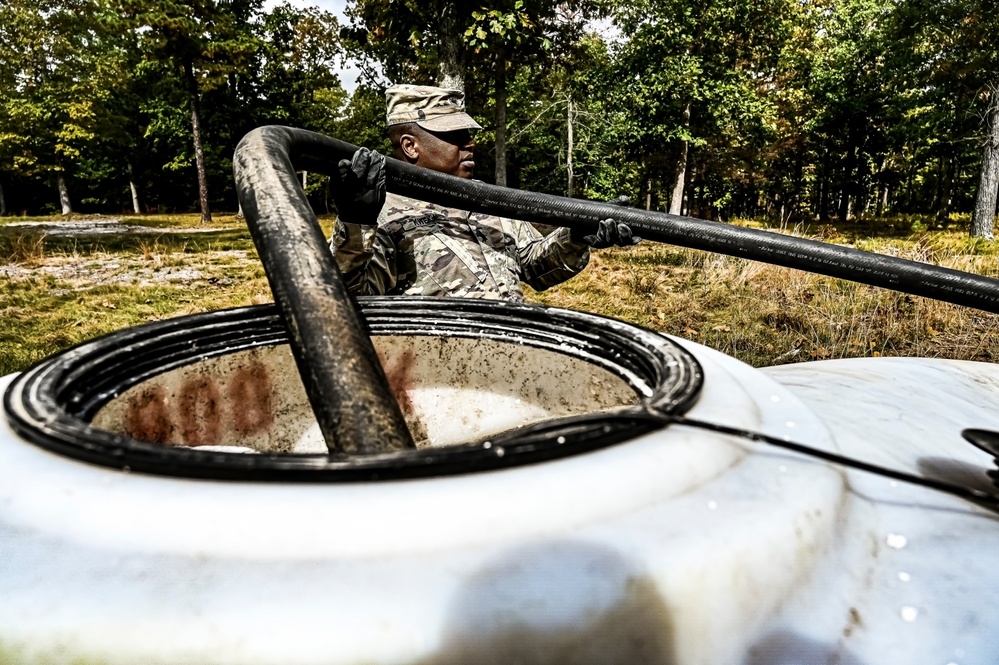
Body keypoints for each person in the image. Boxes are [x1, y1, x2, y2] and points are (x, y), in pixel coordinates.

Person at [330, 84, 639, 302]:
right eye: (454, 135)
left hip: (515, 360)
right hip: (439, 379)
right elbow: (352, 301)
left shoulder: (488, 200)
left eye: (468, 133)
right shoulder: (381, 214)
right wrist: (356, 223)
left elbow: (534, 264)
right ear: (411, 146)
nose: (470, 142)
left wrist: (576, 236)